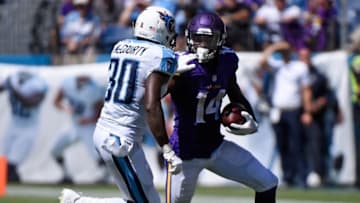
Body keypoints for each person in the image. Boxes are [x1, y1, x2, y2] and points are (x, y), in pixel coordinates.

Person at [59, 6, 184, 203]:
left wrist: (171, 76)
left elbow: (140, 90)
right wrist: (166, 147)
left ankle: (78, 202)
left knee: (146, 199)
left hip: (110, 132)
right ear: (159, 29)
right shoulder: (160, 55)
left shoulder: (121, 46)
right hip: (119, 140)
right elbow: (151, 103)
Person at [166, 12, 278, 203]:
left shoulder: (227, 60)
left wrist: (248, 115)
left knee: (267, 182)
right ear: (189, 38)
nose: (202, 45)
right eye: (198, 39)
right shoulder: (180, 65)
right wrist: (170, 75)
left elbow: (234, 90)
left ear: (220, 40)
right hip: (184, 153)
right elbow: (154, 96)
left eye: (208, 40)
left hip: (215, 146)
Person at [258, 42, 312, 187]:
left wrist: (307, 111)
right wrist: (274, 48)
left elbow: (306, 90)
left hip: (294, 110)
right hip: (278, 111)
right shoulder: (277, 65)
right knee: (282, 145)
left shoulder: (299, 67)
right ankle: (288, 177)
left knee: (297, 144)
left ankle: (302, 177)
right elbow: (262, 62)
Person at [50, 74, 106, 184]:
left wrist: (89, 120)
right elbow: (56, 101)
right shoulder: (67, 83)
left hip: (88, 127)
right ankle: (66, 175)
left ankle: (106, 177)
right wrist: (66, 108)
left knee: (98, 156)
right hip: (74, 125)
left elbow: (101, 112)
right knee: (55, 150)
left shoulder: (95, 88)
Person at [0, 71, 47, 182]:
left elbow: (32, 102)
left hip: (29, 127)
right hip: (13, 124)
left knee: (12, 163)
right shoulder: (13, 82)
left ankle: (13, 177)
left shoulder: (37, 86)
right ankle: (12, 179)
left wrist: (15, 89)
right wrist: (7, 84)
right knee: (3, 160)